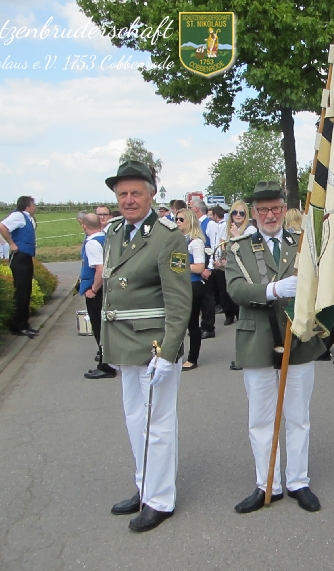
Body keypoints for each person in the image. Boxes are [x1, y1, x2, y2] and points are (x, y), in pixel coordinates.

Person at [102, 160, 191, 533]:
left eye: (135, 193)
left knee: (158, 425)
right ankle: (144, 487)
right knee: (135, 421)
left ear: (151, 195)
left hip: (155, 347)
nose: (128, 200)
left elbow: (179, 301)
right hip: (124, 345)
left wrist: (169, 353)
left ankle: (160, 499)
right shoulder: (115, 232)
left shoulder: (167, 236)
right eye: (122, 193)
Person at [225, 181, 325, 514]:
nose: (270, 215)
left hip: (297, 339)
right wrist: (274, 290)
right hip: (256, 340)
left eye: (276, 209)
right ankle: (267, 484)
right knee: (261, 419)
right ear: (253, 213)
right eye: (263, 210)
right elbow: (236, 289)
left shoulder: (302, 245)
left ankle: (298, 481)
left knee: (298, 417)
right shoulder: (238, 248)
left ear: (284, 210)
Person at [80, 213, 116, 380]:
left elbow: (100, 270)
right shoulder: (106, 238)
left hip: (98, 290)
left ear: (83, 225)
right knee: (106, 327)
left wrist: (93, 289)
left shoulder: (92, 243)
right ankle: (109, 359)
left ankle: (106, 365)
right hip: (109, 288)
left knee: (99, 327)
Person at [0, 196, 39, 338]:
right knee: (21, 291)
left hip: (26, 256)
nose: (35, 207)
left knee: (26, 290)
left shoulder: (27, 218)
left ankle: (24, 323)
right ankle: (17, 325)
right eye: (33, 204)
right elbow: (2, 226)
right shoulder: (18, 216)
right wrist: (12, 244)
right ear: (27, 206)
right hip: (20, 257)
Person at [175, 207, 206, 371]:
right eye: (176, 219)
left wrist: (177, 266)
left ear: (190, 221)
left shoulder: (196, 242)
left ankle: (193, 358)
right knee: (179, 322)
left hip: (193, 285)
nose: (178, 222)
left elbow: (200, 267)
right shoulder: (181, 240)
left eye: (181, 219)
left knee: (192, 323)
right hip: (182, 285)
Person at [188, 197, 217, 340]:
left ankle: (208, 327)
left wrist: (209, 268)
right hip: (199, 266)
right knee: (200, 300)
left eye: (190, 207)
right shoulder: (196, 224)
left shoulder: (210, 224)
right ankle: (200, 325)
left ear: (196, 209)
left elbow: (215, 247)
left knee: (207, 299)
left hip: (206, 267)